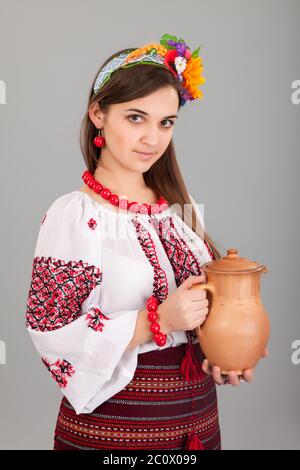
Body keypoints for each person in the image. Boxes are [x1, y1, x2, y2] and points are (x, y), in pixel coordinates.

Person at [25, 33, 268, 451]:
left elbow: (197, 316)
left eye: (165, 122)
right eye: (136, 118)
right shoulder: (74, 216)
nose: (152, 139)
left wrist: (221, 352)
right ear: (98, 113)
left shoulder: (179, 211)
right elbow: (48, 328)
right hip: (118, 428)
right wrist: (155, 322)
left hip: (198, 422)